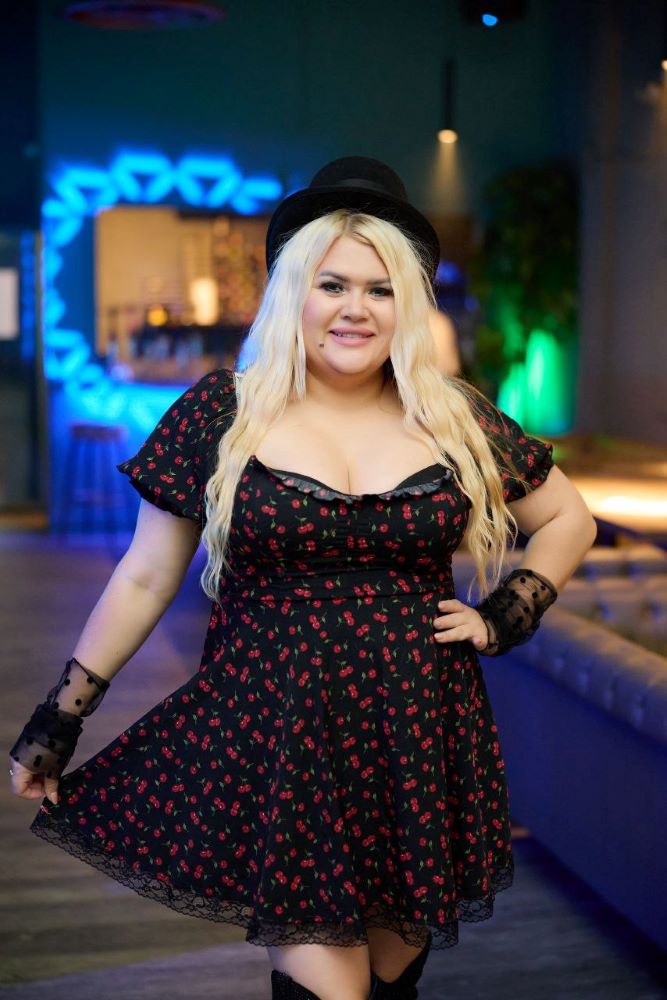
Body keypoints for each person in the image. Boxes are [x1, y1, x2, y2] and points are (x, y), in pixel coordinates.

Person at [9, 156, 598, 1000]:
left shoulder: (452, 416)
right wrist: (61, 717)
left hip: (414, 732)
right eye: (333, 284)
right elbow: (143, 576)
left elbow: (567, 518)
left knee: (392, 980)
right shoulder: (225, 411)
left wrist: (502, 614)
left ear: (407, 304)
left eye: (380, 289)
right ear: (295, 293)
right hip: (279, 733)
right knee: (331, 988)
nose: (356, 308)